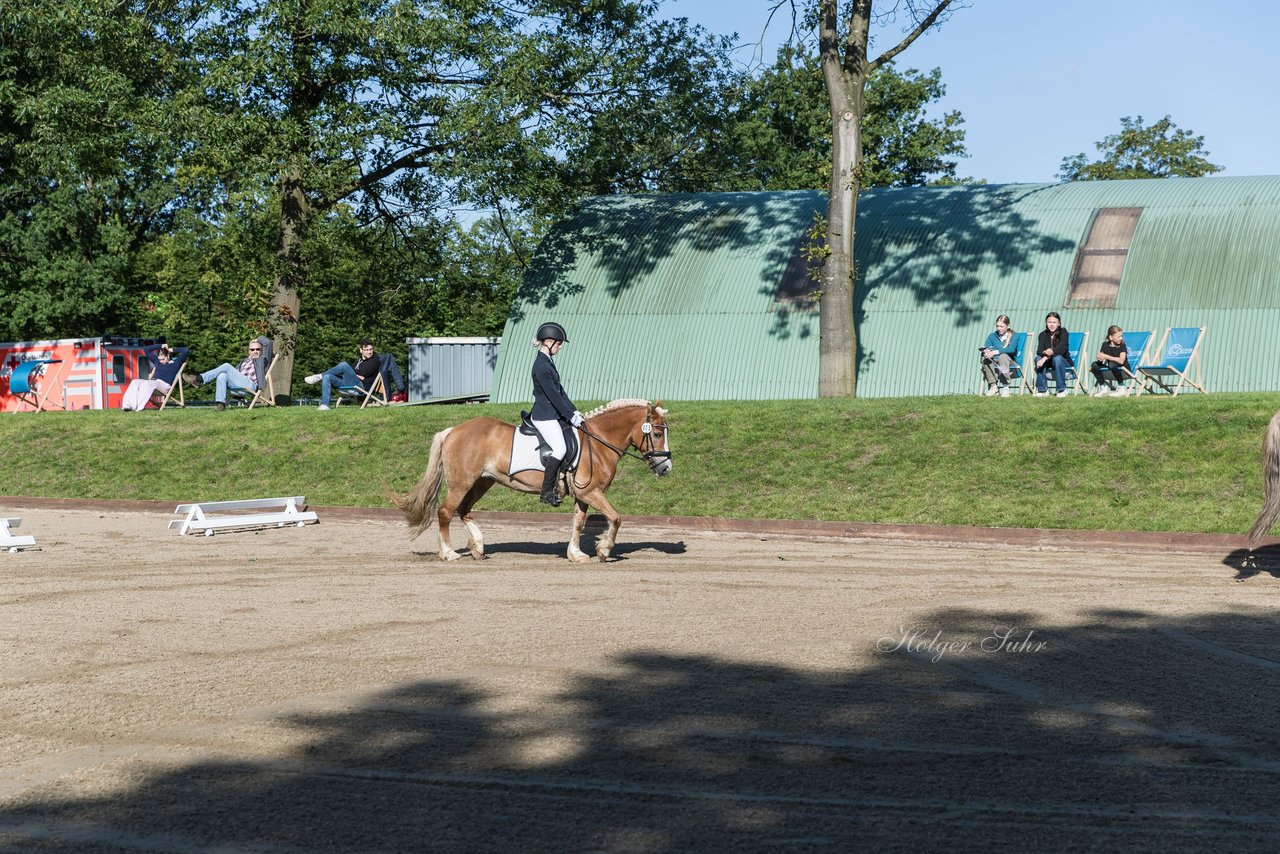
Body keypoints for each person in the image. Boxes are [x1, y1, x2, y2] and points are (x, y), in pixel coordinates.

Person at [530, 321, 584, 506]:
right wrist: (570, 416)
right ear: (549, 341)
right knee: (560, 448)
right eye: (559, 343)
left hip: (551, 412)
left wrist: (574, 410)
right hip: (544, 415)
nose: (560, 347)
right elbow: (553, 396)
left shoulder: (547, 362)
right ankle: (546, 492)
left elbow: (560, 391)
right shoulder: (542, 366)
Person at [304, 339, 406, 410]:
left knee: (344, 365)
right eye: (366, 350)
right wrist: (355, 374)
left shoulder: (375, 360)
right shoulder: (358, 361)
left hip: (360, 387)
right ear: (361, 350)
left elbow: (365, 373)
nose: (369, 352)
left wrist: (354, 374)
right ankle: (325, 405)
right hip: (351, 383)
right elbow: (353, 372)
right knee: (328, 377)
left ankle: (319, 376)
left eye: (371, 349)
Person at [185, 336, 273, 411]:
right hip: (239, 386)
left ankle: (199, 379)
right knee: (222, 375)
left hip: (251, 385)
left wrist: (256, 339)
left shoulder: (264, 359)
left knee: (226, 366)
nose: (255, 351)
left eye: (258, 349)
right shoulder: (244, 361)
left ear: (261, 350)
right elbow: (234, 374)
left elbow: (268, 342)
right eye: (252, 349)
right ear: (249, 351)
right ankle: (221, 405)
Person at [121, 342, 189, 411]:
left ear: (168, 356)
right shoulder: (157, 362)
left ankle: (138, 407)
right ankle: (127, 405)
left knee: (148, 383)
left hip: (164, 386)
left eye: (163, 359)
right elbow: (146, 349)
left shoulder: (176, 363)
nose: (161, 361)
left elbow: (186, 350)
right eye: (159, 359)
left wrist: (173, 349)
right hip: (154, 383)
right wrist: (161, 345)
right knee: (134, 382)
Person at [1033, 312, 1072, 398]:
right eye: (1049, 322)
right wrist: (1045, 352)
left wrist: (1046, 357)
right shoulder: (1042, 335)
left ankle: (1061, 389)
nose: (1052, 324)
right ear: (1046, 323)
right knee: (1038, 358)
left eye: (1054, 322)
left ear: (1059, 323)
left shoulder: (1064, 333)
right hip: (1049, 363)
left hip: (1062, 362)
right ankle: (1043, 390)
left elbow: (1061, 350)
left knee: (1057, 358)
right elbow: (1039, 350)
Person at [979, 315, 1019, 398]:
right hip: (995, 362)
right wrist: (986, 351)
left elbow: (1011, 349)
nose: (999, 328)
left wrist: (995, 352)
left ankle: (1005, 387)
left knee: (1003, 356)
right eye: (997, 326)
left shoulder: (1015, 335)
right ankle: (993, 386)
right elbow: (987, 346)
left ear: (1008, 326)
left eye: (1002, 326)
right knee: (985, 357)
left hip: (1009, 362)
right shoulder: (992, 336)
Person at [1090, 325, 1131, 397]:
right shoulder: (1105, 345)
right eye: (1119, 336)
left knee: (1112, 363)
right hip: (1111, 369)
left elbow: (1121, 361)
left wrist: (1106, 357)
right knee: (1094, 365)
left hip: (1124, 370)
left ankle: (1122, 387)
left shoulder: (1122, 345)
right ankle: (1104, 388)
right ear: (1111, 337)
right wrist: (1100, 358)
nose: (1121, 338)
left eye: (1121, 336)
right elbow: (1101, 359)